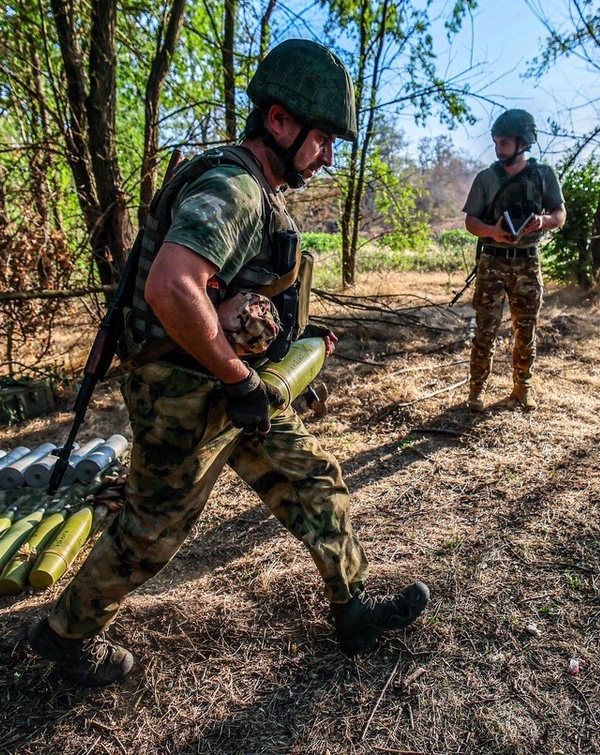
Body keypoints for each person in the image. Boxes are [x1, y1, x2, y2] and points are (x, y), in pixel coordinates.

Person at [27, 39, 430, 687]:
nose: (328, 155)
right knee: (152, 529)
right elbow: (171, 286)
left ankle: (352, 611)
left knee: (313, 478)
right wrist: (239, 377)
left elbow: (232, 295)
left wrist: (278, 356)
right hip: (184, 393)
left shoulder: (253, 191)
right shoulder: (235, 188)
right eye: (323, 138)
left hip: (231, 387)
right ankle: (65, 636)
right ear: (279, 120)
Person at [462, 109, 567, 412]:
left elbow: (560, 215)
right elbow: (471, 222)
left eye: (505, 142)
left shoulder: (543, 176)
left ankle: (522, 388)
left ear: (523, 143)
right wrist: (493, 231)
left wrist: (542, 221)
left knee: (526, 331)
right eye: (496, 142)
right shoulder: (486, 178)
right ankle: (476, 392)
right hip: (492, 263)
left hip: (526, 264)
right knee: (485, 330)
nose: (498, 149)